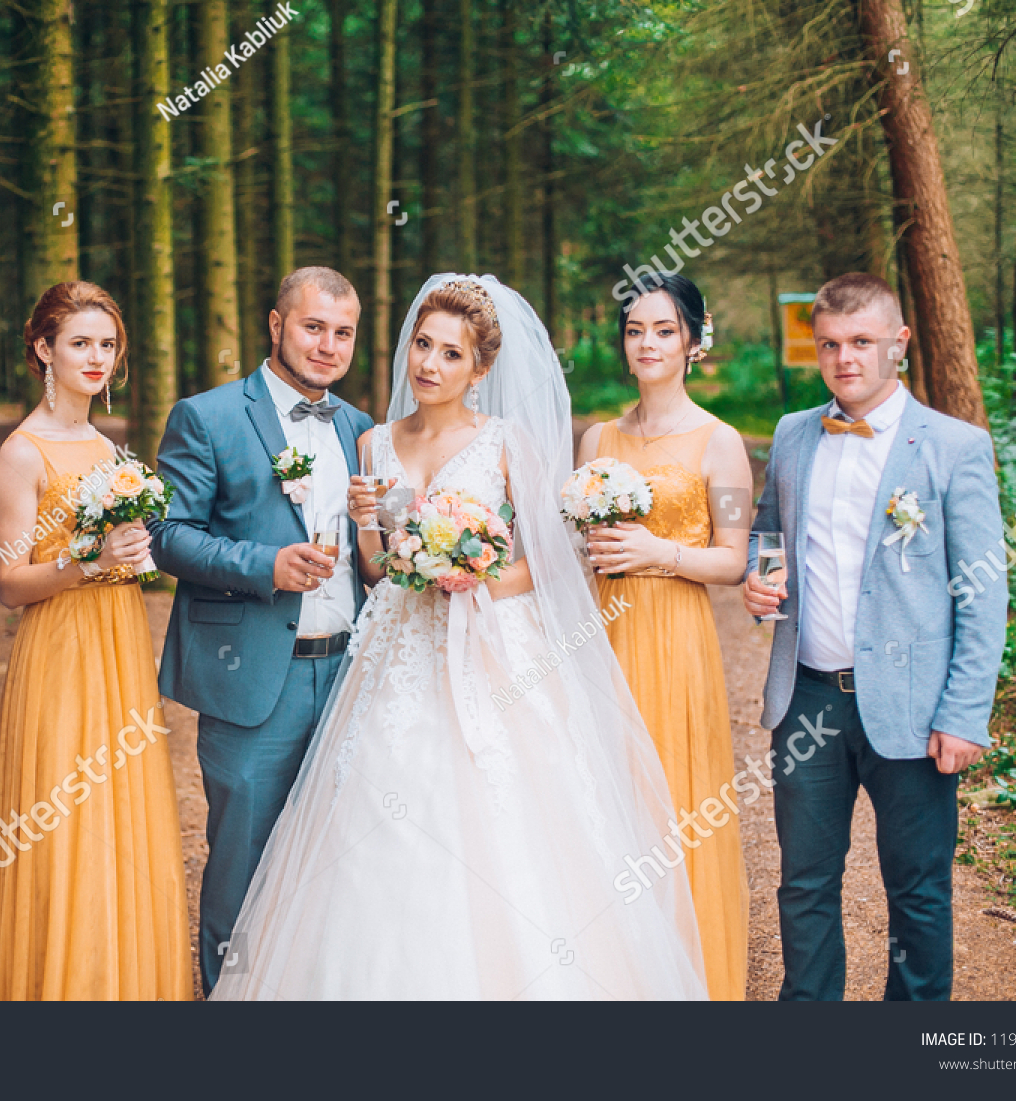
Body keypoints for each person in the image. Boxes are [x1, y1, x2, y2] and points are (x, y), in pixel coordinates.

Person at [208, 274, 708, 1000]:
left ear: (480, 369)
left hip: (496, 655)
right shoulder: (374, 441)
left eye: (450, 353)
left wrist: (471, 576)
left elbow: (555, 556)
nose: (430, 364)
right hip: (396, 661)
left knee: (513, 830)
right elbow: (379, 570)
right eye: (422, 345)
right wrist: (370, 529)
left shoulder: (508, 443)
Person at [742, 272, 1007, 1000]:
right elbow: (768, 530)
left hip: (917, 712)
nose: (844, 358)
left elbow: (984, 595)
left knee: (917, 893)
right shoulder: (796, 434)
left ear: (900, 342)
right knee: (803, 885)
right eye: (829, 344)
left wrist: (963, 714)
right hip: (809, 702)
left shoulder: (956, 447)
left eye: (861, 342)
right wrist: (758, 581)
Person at [148, 267, 373, 996]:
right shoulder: (207, 417)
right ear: (275, 326)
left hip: (351, 676)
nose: (328, 345)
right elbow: (166, 535)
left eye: (342, 333)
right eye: (313, 327)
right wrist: (262, 564)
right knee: (242, 859)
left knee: (337, 859)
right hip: (251, 678)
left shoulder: (359, 429)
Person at [0, 282, 191, 1001]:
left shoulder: (106, 445)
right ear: (43, 349)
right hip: (61, 649)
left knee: (119, 813)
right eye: (80, 343)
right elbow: (9, 583)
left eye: (106, 344)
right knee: (62, 816)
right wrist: (86, 562)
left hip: (120, 640)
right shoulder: (21, 454)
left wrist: (136, 554)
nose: (96, 358)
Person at [578, 273, 752, 1000]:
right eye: (634, 330)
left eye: (663, 330)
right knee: (604, 800)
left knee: (678, 801)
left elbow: (737, 560)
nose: (646, 343)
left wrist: (662, 554)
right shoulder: (597, 437)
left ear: (692, 341)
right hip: (604, 640)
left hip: (677, 642)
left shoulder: (721, 441)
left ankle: (691, 976)